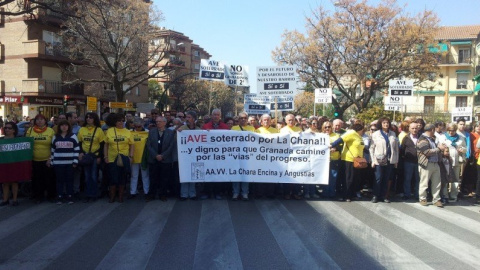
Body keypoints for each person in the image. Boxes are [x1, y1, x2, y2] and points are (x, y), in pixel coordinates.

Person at [331, 123, 365, 202]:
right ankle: (346, 195)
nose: (363, 131)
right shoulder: (351, 133)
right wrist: (332, 145)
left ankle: (352, 194)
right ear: (360, 129)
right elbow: (340, 139)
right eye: (362, 130)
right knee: (348, 178)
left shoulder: (359, 136)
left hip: (357, 160)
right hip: (348, 159)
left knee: (355, 178)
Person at [104, 113, 134, 203]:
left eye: (122, 121)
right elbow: (106, 145)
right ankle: (112, 196)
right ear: (115, 122)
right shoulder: (109, 131)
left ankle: (120, 196)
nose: (121, 122)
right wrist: (105, 156)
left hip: (124, 157)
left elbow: (132, 145)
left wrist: (131, 156)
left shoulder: (128, 132)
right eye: (118, 121)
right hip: (112, 157)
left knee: (122, 177)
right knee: (113, 177)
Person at [48, 120, 80, 205]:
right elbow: (52, 150)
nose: (64, 127)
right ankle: (59, 196)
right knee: (59, 180)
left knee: (69, 180)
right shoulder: (55, 137)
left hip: (70, 163)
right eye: (62, 125)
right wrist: (51, 160)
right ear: (59, 127)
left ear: (68, 127)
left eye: (66, 125)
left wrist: (75, 161)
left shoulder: (73, 136)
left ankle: (70, 196)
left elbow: (76, 149)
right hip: (58, 163)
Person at [26, 114, 56, 203]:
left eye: (42, 119)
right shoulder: (30, 130)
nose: (39, 121)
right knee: (37, 179)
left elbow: (54, 146)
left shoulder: (50, 131)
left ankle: (51, 196)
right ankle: (38, 196)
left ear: (45, 121)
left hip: (47, 160)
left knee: (49, 179)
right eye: (37, 119)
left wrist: (50, 158)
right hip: (35, 160)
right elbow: (27, 144)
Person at [201, 109, 229, 200]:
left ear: (220, 116)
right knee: (208, 173)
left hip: (220, 155)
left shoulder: (225, 127)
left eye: (217, 115)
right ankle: (207, 192)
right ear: (211, 116)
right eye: (214, 115)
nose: (216, 116)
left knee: (218, 174)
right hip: (208, 154)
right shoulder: (205, 126)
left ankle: (217, 192)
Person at [369, 117, 399, 203]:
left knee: (386, 178)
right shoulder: (376, 134)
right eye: (384, 123)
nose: (386, 124)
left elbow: (396, 148)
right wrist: (373, 161)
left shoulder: (393, 134)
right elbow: (372, 148)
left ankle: (384, 196)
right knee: (378, 178)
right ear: (380, 124)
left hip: (390, 159)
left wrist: (396, 160)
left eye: (387, 123)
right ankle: (375, 195)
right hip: (379, 160)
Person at [78, 112, 105, 202]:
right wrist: (81, 152)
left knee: (94, 176)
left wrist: (99, 157)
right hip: (85, 156)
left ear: (94, 119)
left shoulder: (99, 130)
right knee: (86, 176)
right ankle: (88, 194)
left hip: (95, 156)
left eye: (90, 117)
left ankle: (94, 194)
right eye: (87, 117)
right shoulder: (82, 129)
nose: (88, 119)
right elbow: (79, 142)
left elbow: (102, 145)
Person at [417, 124, 446, 207]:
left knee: (437, 183)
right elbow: (427, 152)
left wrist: (440, 148)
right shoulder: (422, 139)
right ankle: (422, 198)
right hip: (426, 164)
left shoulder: (432, 139)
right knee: (424, 182)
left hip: (435, 163)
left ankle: (436, 199)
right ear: (432, 130)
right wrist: (439, 149)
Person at [146, 116, 174, 201]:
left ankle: (163, 195)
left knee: (164, 178)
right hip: (154, 159)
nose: (158, 123)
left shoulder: (170, 132)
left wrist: (163, 156)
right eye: (157, 121)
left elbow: (171, 146)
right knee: (153, 178)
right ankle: (151, 194)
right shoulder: (152, 132)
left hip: (166, 160)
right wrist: (155, 155)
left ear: (165, 123)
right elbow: (149, 145)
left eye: (160, 121)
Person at [437, 123, 466, 202]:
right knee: (446, 178)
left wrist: (462, 149)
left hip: (456, 161)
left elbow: (465, 148)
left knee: (455, 179)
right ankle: (445, 195)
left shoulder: (460, 137)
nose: (451, 132)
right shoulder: (443, 137)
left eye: (452, 130)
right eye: (449, 130)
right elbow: (439, 147)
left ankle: (453, 195)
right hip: (446, 161)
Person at [178, 111, 202, 200]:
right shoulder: (181, 129)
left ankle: (192, 194)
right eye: (186, 117)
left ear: (194, 119)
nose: (187, 119)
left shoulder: (199, 130)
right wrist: (178, 133)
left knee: (193, 174)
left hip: (195, 156)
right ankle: (184, 194)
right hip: (184, 156)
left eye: (189, 117)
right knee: (184, 174)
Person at [231, 112, 255, 201]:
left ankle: (245, 193)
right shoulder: (234, 128)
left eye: (245, 118)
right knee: (236, 174)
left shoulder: (251, 128)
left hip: (248, 155)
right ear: (238, 119)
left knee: (246, 174)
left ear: (247, 119)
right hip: (236, 155)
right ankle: (235, 193)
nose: (243, 119)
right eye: (241, 118)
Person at [254, 114, 279, 199]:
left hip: (272, 157)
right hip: (260, 157)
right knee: (260, 174)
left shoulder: (275, 130)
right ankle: (260, 193)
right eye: (264, 120)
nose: (266, 121)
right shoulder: (257, 131)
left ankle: (270, 193)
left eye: (268, 120)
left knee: (270, 175)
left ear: (270, 121)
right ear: (261, 121)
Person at [0, 122, 24, 206]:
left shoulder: (18, 140)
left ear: (14, 130)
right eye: (6, 128)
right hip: (4, 163)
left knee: (14, 182)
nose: (7, 129)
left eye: (9, 128)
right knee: (5, 182)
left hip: (15, 163)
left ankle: (14, 200)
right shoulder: (1, 140)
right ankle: (5, 199)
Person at [280, 114, 303, 200]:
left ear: (295, 121)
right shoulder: (282, 130)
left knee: (296, 174)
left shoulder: (299, 129)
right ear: (286, 121)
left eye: (292, 120)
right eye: (289, 120)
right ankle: (287, 193)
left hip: (297, 156)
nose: (291, 121)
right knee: (287, 175)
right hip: (286, 155)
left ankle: (296, 193)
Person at [128, 118, 150, 199]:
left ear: (143, 125)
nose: (138, 128)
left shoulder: (147, 132)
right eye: (136, 126)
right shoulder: (130, 132)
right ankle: (132, 192)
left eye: (139, 126)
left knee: (145, 176)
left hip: (144, 158)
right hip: (133, 157)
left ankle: (146, 192)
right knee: (134, 175)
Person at [400, 122, 420, 200]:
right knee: (407, 179)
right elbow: (402, 149)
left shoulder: (421, 137)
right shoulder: (406, 138)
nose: (414, 130)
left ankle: (417, 195)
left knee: (418, 179)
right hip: (408, 162)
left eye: (416, 128)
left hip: (419, 162)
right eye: (412, 128)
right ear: (409, 129)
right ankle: (407, 194)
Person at [323, 121, 340, 199]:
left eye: (329, 127)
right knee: (324, 177)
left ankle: (332, 193)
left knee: (333, 177)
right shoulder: (320, 136)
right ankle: (325, 193)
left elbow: (341, 147)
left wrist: (335, 148)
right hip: (323, 161)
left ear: (332, 127)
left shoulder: (337, 136)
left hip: (334, 159)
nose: (327, 128)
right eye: (325, 127)